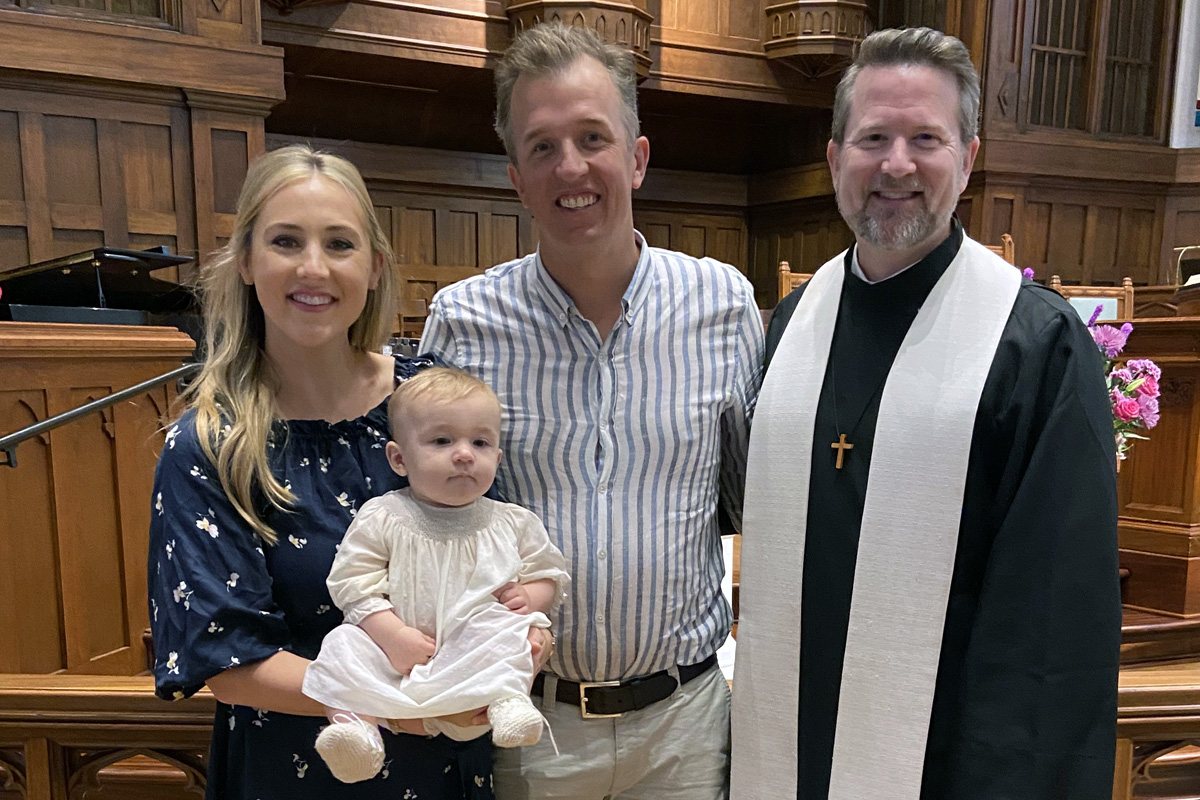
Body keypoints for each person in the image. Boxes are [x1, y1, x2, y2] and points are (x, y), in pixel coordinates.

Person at [731, 27, 1121, 800]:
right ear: (835, 158)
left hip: (955, 759)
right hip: (790, 739)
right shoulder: (795, 321)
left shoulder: (1034, 343)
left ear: (968, 159)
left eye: (926, 139)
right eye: (874, 138)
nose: (897, 164)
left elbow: (1055, 622)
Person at [420, 21, 764, 800]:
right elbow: (433, 520)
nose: (570, 166)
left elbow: (753, 505)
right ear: (517, 177)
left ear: (636, 157)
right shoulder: (464, 323)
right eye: (543, 146)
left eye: (592, 138)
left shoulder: (723, 305)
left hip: (683, 726)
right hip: (528, 724)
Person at [148, 144, 528, 800]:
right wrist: (399, 703)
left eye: (340, 244)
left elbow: (500, 544)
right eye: (286, 241)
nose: (313, 267)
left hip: (444, 766)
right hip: (297, 768)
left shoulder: (433, 400)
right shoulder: (210, 445)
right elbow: (226, 659)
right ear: (246, 261)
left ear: (374, 266)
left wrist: (519, 641)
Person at [302, 367, 570, 782]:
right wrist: (390, 634)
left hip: (474, 657)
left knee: (510, 630)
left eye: (480, 443)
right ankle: (357, 731)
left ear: (497, 458)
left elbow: (549, 571)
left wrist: (532, 596)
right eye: (442, 441)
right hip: (395, 655)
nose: (464, 454)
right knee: (341, 645)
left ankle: (507, 702)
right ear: (399, 458)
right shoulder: (384, 516)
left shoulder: (513, 522)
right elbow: (352, 583)